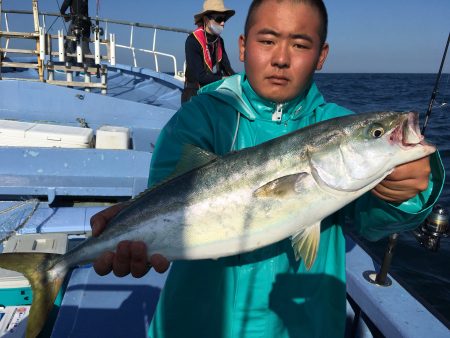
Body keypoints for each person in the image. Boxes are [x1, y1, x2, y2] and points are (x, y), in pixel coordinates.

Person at [91, 1, 444, 337]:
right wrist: (134, 228)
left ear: (321, 56)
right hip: (198, 323)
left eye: (300, 45)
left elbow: (376, 219)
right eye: (267, 40)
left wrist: (406, 194)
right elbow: (167, 195)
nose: (280, 58)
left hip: (303, 326)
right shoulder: (200, 118)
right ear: (243, 47)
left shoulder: (336, 123)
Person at [182, 0, 236, 103]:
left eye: (224, 19)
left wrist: (239, 79)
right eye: (219, 19)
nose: (223, 23)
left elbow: (227, 68)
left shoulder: (220, 41)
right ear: (206, 19)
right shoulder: (192, 41)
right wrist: (224, 79)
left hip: (210, 92)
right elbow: (199, 76)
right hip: (193, 94)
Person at [60, 0, 94, 67]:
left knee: (69, 44)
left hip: (77, 23)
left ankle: (68, 63)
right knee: (85, 47)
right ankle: (90, 65)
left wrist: (65, 15)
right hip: (86, 24)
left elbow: (63, 9)